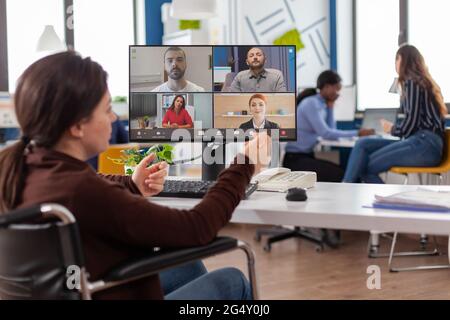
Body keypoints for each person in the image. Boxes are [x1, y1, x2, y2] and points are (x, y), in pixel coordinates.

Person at [0, 51, 272, 300]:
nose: (115, 117)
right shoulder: (82, 192)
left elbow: (88, 186)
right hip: (102, 289)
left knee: (186, 265)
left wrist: (130, 183)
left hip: (82, 285)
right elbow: (197, 227)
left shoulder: (20, 166)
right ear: (77, 126)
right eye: (107, 108)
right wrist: (243, 165)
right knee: (232, 281)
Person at [342, 44, 446, 183]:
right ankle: (346, 185)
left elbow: (410, 126)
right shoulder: (421, 83)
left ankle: (349, 189)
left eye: (396, 59)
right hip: (422, 142)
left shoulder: (412, 83)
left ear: (403, 60)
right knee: (362, 143)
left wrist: (391, 129)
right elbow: (413, 125)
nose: (395, 64)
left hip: (424, 145)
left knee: (365, 166)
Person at [284, 70, 374, 182]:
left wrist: (330, 107)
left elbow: (332, 130)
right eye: (336, 88)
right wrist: (357, 133)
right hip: (295, 160)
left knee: (345, 171)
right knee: (342, 174)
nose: (337, 93)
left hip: (306, 156)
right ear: (326, 87)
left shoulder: (322, 104)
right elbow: (325, 133)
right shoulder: (311, 103)